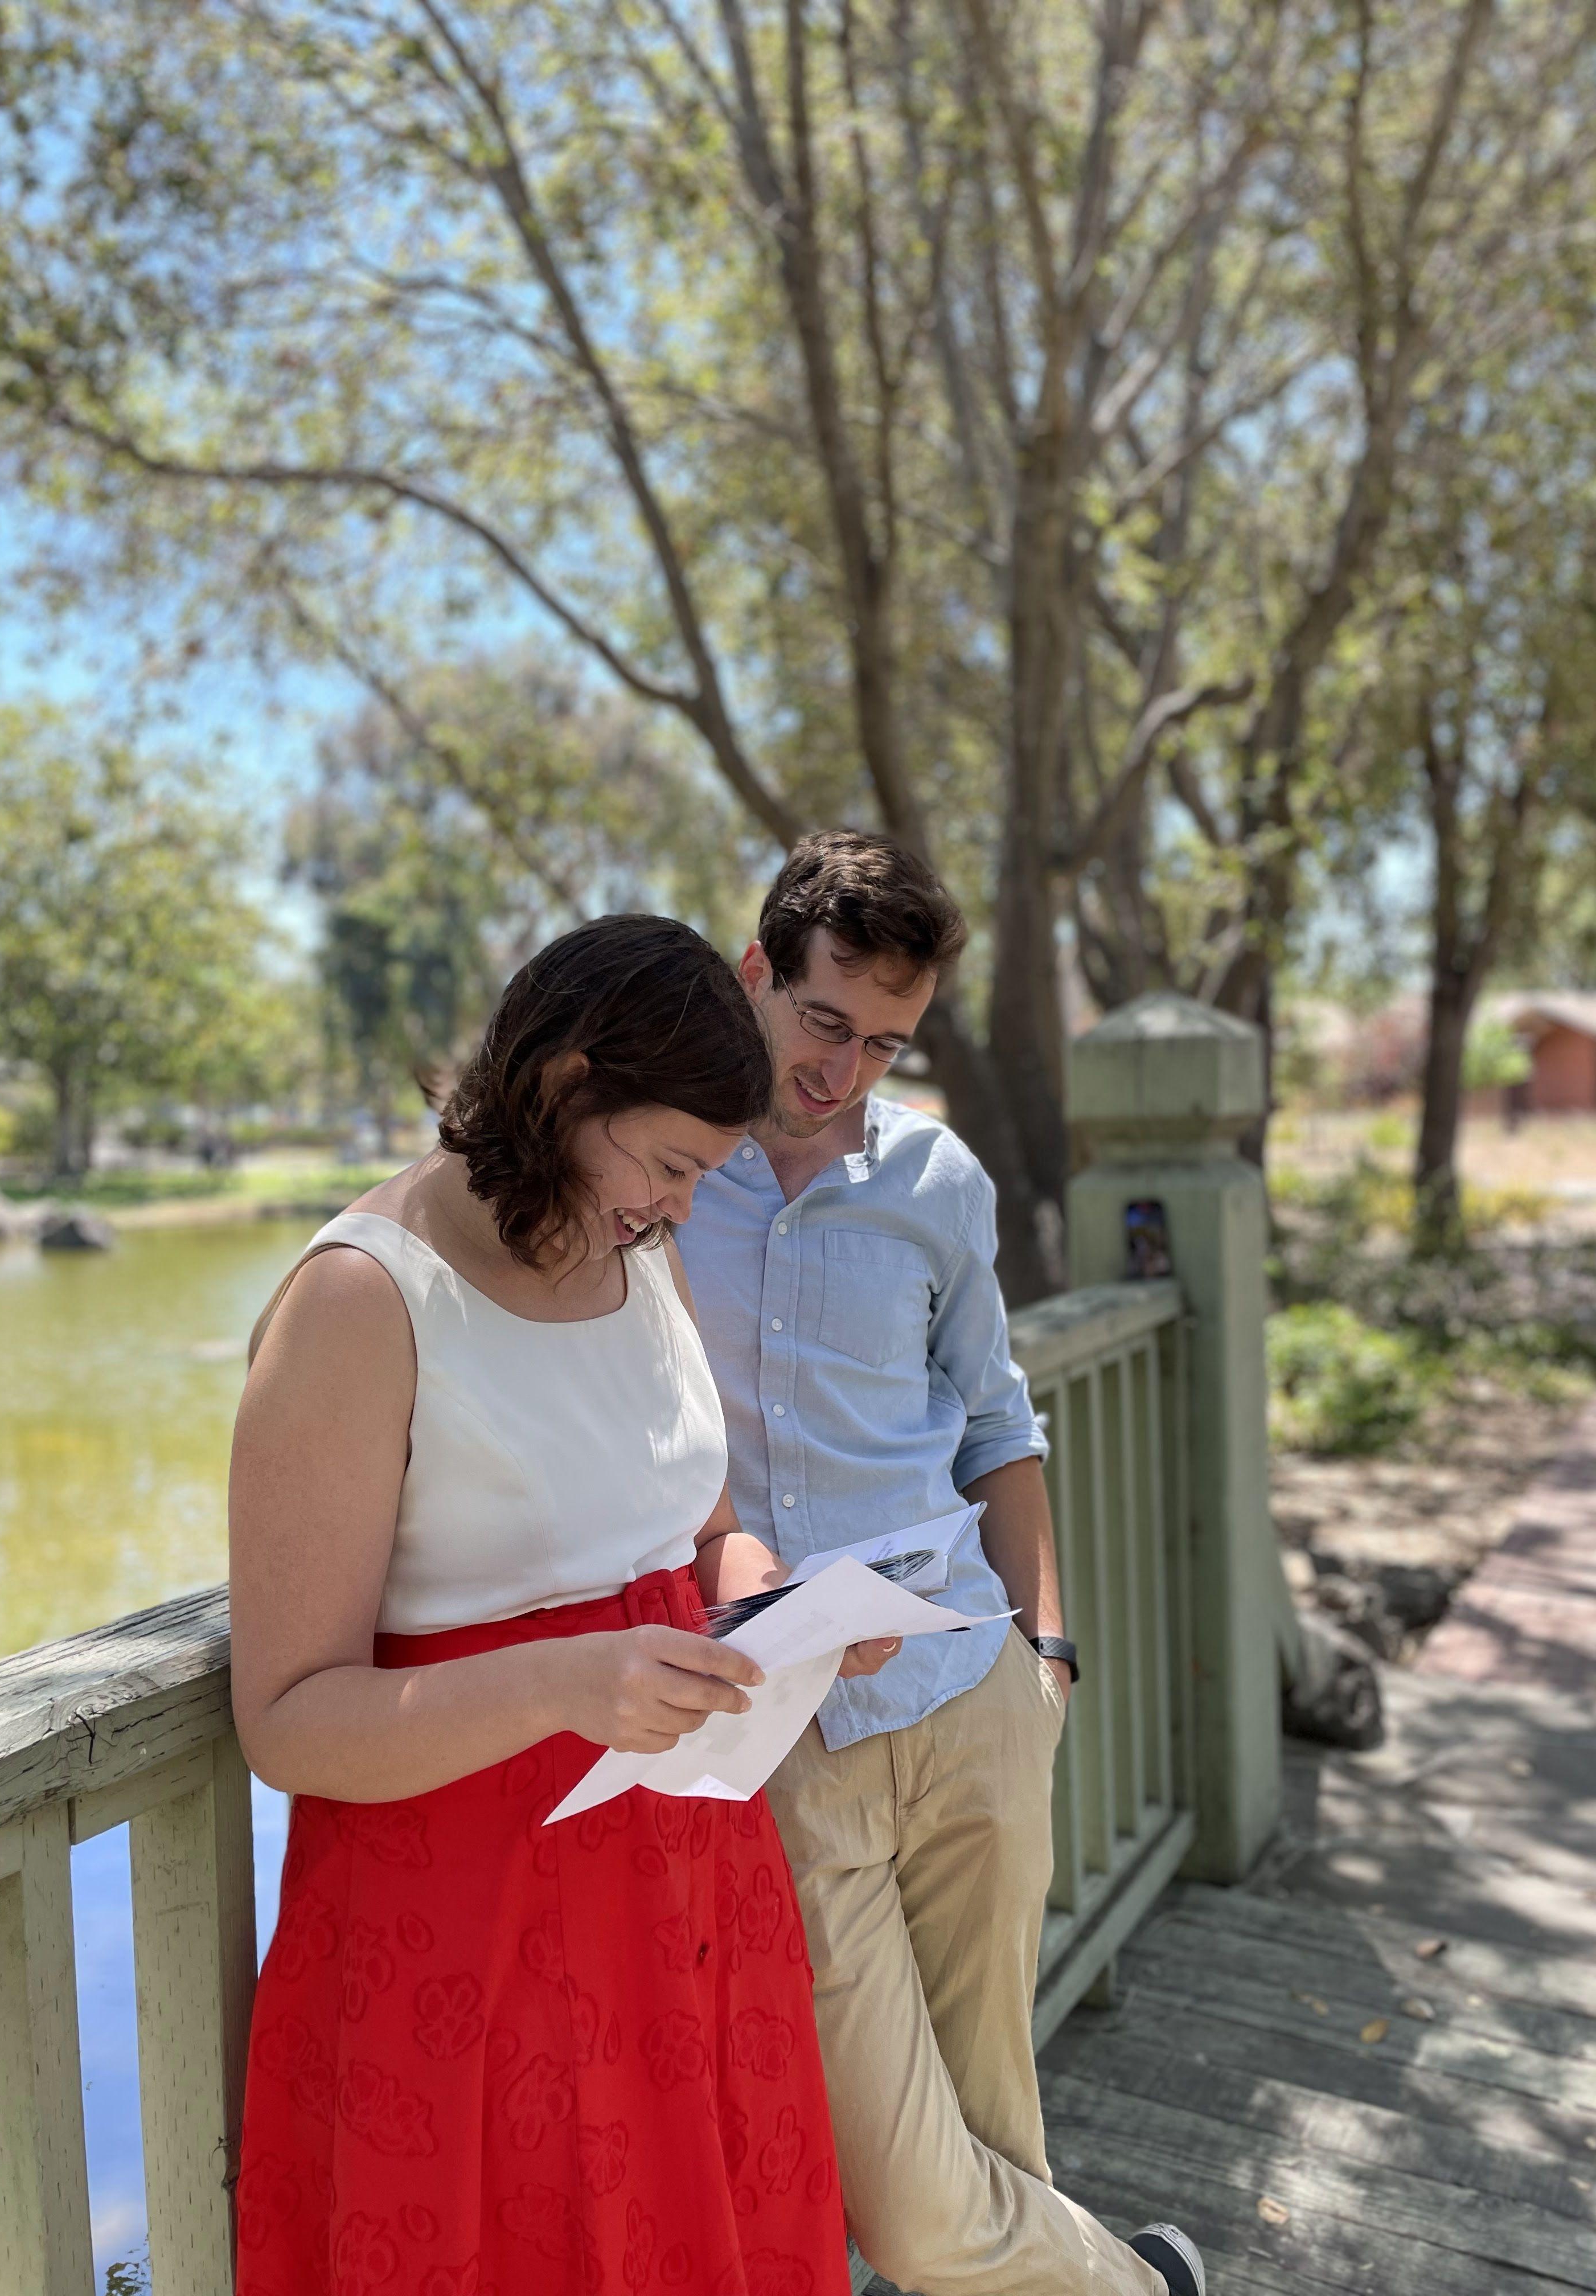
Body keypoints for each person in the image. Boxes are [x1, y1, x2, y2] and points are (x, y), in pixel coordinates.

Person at [228, 913, 877, 2296]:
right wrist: (560, 1683)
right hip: (472, 1941)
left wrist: (777, 1610)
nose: (682, 1209)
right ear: (567, 1082)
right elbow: (285, 1723)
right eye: (670, 1165)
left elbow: (705, 1530)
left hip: (684, 1894)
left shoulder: (636, 1248)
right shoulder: (358, 1301)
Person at [680, 834, 1208, 2296]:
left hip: (971, 1693)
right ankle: (1149, 2285)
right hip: (794, 1739)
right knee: (909, 2209)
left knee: (994, 2134)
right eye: (824, 1022)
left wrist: (1048, 1657)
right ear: (757, 972)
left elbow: (994, 1422)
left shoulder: (937, 1179)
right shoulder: (666, 1175)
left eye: (885, 1044)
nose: (844, 1071)